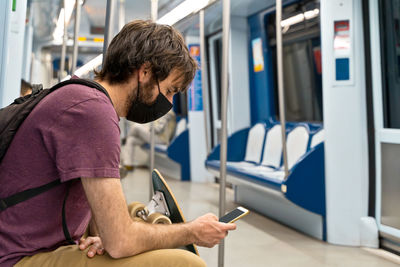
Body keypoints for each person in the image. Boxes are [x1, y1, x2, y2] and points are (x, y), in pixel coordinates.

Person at [0, 20, 236, 267]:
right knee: (186, 263)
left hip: (33, 240)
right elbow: (120, 242)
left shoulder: (81, 96)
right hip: (17, 257)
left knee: (133, 212)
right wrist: (192, 232)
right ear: (145, 72)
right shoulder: (93, 113)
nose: (169, 103)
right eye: (169, 90)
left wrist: (103, 235)